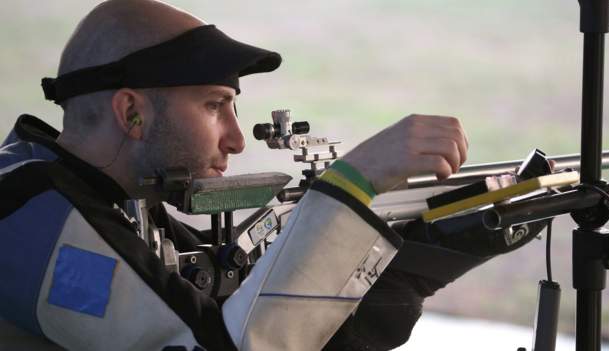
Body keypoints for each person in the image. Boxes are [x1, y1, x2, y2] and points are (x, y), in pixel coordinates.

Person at [0, 1, 548, 350]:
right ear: (131, 114)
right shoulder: (33, 210)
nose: (236, 139)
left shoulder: (105, 195)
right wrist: (349, 190)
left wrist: (417, 260)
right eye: (216, 105)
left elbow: (243, 317)